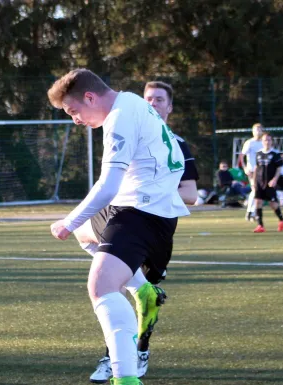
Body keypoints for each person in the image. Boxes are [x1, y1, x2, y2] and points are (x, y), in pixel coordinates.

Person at [47, 69, 189, 385]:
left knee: (101, 286)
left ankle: (125, 378)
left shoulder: (119, 118)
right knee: (89, 234)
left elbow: (107, 186)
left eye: (73, 111)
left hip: (140, 216)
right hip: (150, 213)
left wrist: (67, 223)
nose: (75, 120)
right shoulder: (134, 103)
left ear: (89, 97)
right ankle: (143, 291)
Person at [85, 80, 198, 383]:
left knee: (127, 289)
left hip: (152, 223)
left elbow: (190, 194)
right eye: (148, 98)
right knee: (107, 279)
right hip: (122, 216)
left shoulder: (176, 143)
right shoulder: (129, 130)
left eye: (159, 99)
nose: (152, 104)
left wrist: (154, 184)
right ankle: (114, 358)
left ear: (169, 107)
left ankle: (141, 349)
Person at [252, 133, 283, 233]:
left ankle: (281, 220)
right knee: (258, 202)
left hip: (270, 182)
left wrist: (275, 179)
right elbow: (256, 168)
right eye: (265, 140)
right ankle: (260, 225)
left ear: (272, 141)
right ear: (262, 142)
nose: (267, 142)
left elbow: (279, 168)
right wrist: (254, 182)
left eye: (269, 140)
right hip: (259, 182)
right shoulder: (258, 153)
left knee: (273, 204)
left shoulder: (275, 154)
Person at [239, 123, 265, 221]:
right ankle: (251, 213)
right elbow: (242, 156)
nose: (258, 131)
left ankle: (251, 212)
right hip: (252, 170)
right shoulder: (249, 142)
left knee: (258, 192)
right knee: (255, 190)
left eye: (260, 129)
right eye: (256, 129)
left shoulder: (263, 142)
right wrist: (245, 168)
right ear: (253, 131)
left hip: (262, 171)